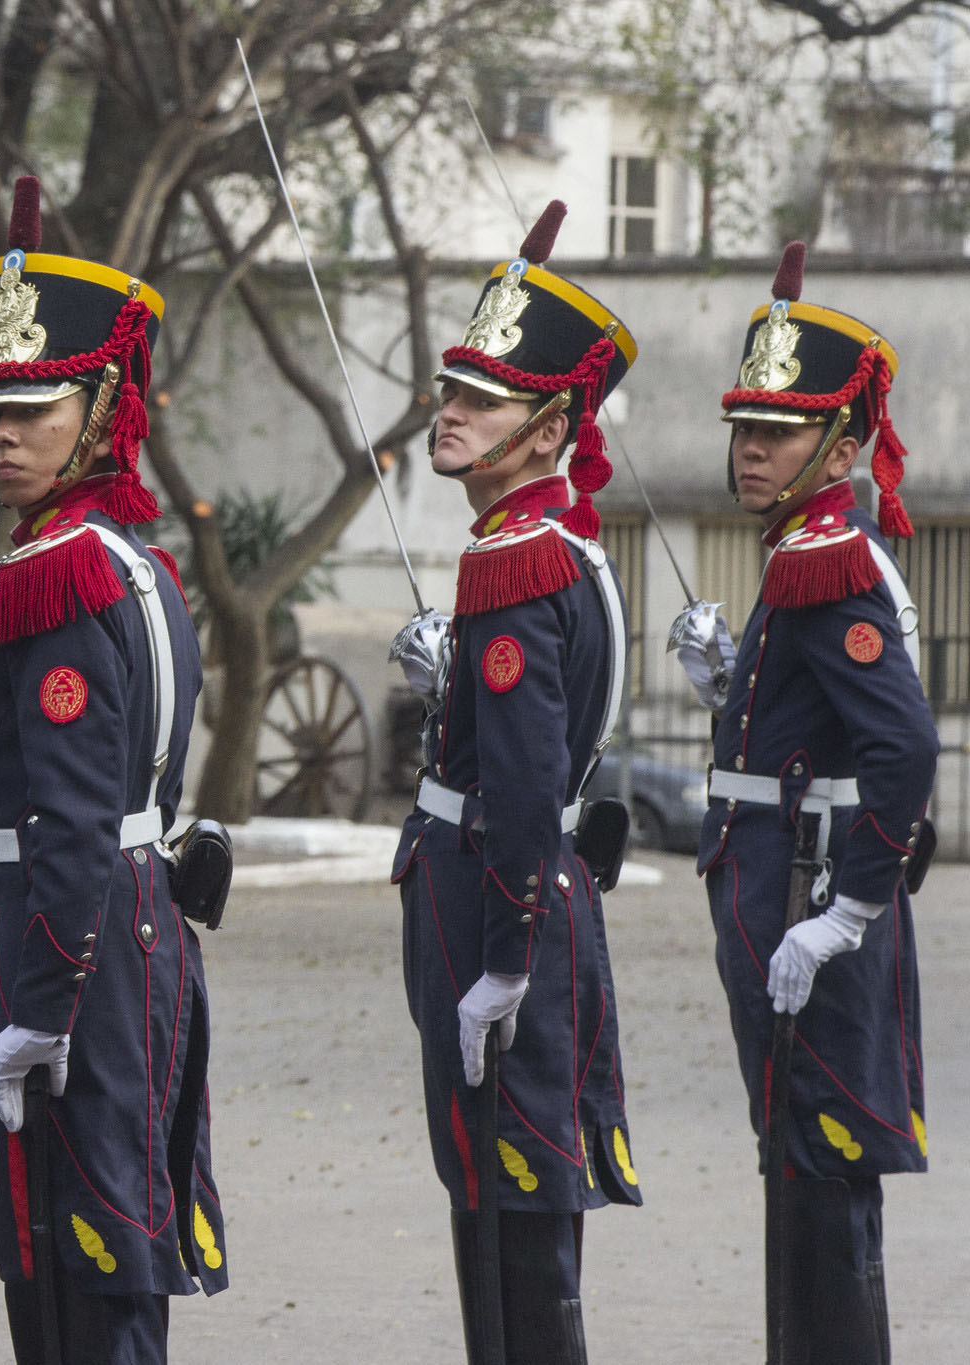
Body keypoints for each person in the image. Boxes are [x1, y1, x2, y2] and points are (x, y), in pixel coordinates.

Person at [0, 177, 225, 1365]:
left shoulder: (52, 573)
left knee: (77, 1265)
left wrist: (39, 1007)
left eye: (35, 405)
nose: (5, 431)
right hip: (139, 926)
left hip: (72, 950)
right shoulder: (137, 562)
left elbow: (66, 817)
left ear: (105, 400)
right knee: (115, 1250)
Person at [668, 243, 935, 1364]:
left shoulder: (824, 557)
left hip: (801, 904)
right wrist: (730, 683)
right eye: (744, 428)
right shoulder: (798, 555)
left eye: (776, 432)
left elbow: (903, 748)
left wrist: (846, 913)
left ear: (843, 444)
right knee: (799, 1169)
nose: (749, 451)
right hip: (770, 887)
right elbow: (814, 733)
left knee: (823, 1177)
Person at [389, 201, 640, 1363]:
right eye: (452, 387)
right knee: (506, 1199)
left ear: (548, 429)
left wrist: (501, 958)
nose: (450, 410)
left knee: (513, 1213)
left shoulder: (511, 553)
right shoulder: (557, 544)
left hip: (496, 902)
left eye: (480, 399)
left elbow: (530, 785)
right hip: (526, 899)